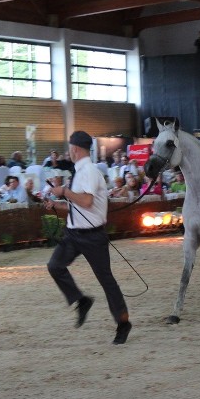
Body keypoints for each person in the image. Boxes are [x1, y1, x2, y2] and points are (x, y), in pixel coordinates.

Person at [45, 130, 131, 345]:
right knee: (55, 266)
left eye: (69, 148)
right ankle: (81, 300)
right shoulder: (79, 171)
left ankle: (123, 322)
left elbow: (86, 202)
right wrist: (57, 205)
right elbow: (77, 206)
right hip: (74, 233)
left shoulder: (89, 172)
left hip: (93, 236)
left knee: (106, 280)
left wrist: (63, 191)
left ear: (74, 148)